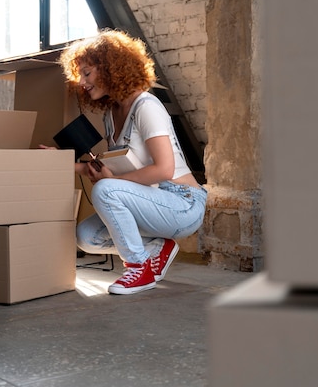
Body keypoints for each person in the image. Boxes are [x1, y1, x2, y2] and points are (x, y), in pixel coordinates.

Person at [47, 29, 207, 295]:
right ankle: (157, 247)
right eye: (80, 75)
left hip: (183, 204)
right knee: (86, 236)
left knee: (106, 189)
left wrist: (112, 182)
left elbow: (163, 169)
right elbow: (113, 171)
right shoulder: (111, 114)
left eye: (87, 73)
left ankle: (138, 267)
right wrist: (58, 160)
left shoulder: (146, 107)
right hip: (148, 201)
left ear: (111, 68)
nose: (82, 82)